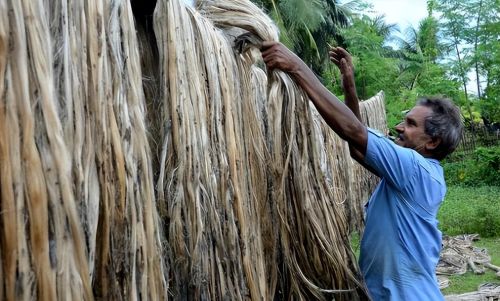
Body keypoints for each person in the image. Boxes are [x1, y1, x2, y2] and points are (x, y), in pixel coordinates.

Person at [260, 41, 463, 300]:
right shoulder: (409, 176)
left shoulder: (415, 170)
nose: (399, 127)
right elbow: (357, 147)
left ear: (432, 142)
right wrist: (348, 83)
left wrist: (297, 66)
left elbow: (354, 131)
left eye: (411, 124)